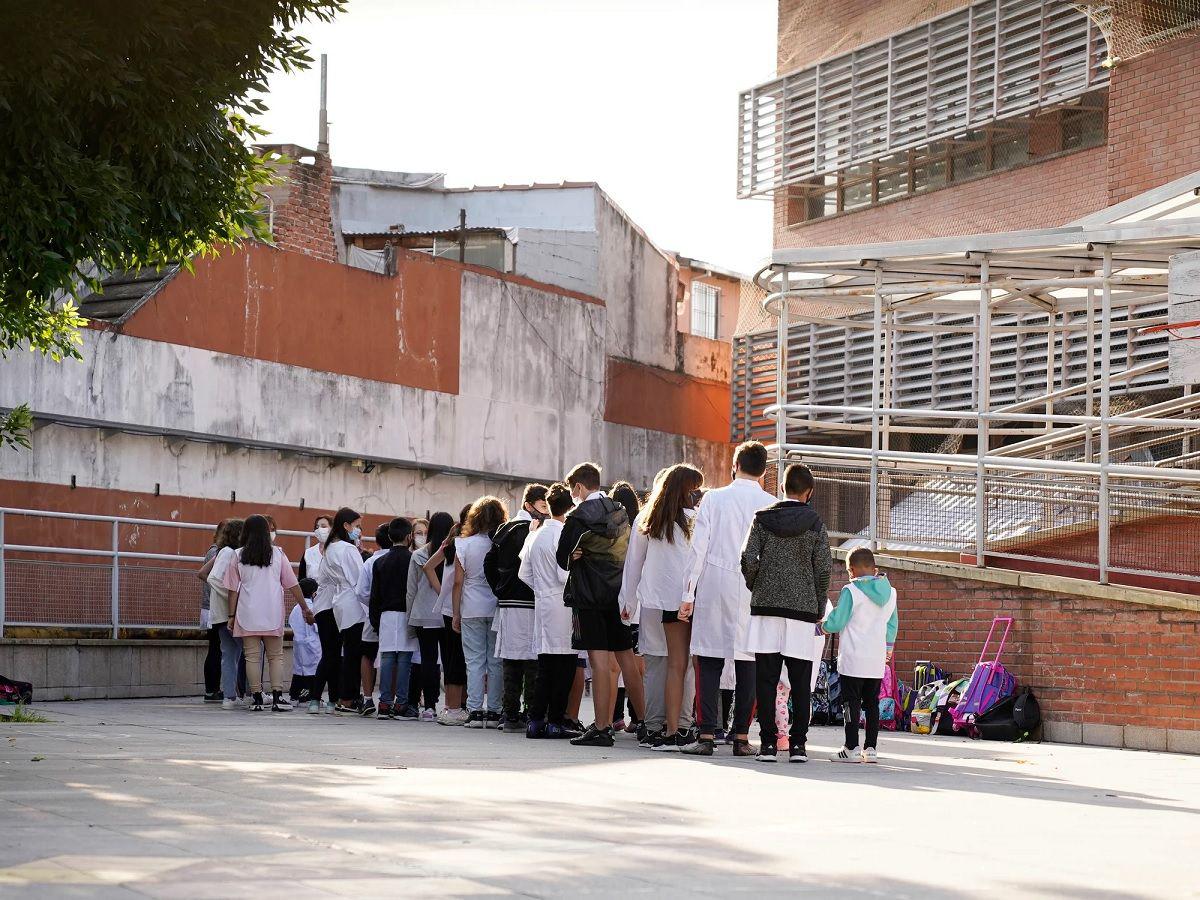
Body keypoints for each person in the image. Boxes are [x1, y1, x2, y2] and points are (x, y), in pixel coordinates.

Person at [679, 440, 775, 758]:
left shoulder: (713, 499)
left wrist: (687, 593)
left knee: (708, 658)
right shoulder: (772, 504)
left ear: (734, 464)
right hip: (754, 587)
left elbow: (699, 549)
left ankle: (706, 734)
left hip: (715, 581)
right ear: (763, 471)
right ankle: (741, 737)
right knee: (749, 660)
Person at [740, 463, 832, 763]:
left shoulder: (762, 518)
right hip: (802, 611)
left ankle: (767, 744)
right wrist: (818, 605)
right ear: (809, 492)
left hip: (766, 608)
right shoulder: (816, 524)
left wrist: (757, 585)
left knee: (765, 678)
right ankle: (798, 746)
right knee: (801, 681)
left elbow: (748, 557)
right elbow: (823, 569)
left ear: (782, 487)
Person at [557, 462, 646, 748]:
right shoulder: (619, 510)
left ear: (579, 487)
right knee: (626, 657)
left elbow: (562, 558)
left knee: (598, 660)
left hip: (590, 594)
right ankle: (646, 722)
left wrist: (577, 555)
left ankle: (602, 726)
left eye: (574, 489)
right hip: (618, 591)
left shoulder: (577, 517)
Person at [620, 464, 703, 752]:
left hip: (653, 601)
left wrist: (627, 600)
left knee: (656, 664)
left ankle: (655, 725)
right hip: (687, 601)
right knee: (684, 667)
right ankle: (680, 723)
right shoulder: (696, 519)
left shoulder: (648, 518)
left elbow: (633, 564)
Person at [224, 514, 309, 712]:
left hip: (247, 614)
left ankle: (256, 699)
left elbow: (231, 591)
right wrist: (305, 607)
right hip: (272, 612)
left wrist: (230, 616)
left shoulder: (237, 555)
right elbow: (293, 584)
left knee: (252, 657)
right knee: (275, 656)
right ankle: (278, 697)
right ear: (266, 532)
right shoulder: (278, 554)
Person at [822, 547, 898, 764]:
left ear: (852, 570)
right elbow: (892, 625)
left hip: (853, 659)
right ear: (874, 569)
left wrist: (822, 628)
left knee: (850, 704)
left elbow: (838, 620)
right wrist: (888, 649)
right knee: (872, 703)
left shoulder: (851, 591)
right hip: (876, 659)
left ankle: (851, 747)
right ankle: (871, 748)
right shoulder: (891, 593)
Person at [486, 484, 548, 732]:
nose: (545, 511)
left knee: (511, 660)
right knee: (532, 660)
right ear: (529, 505)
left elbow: (489, 563)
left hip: (510, 603)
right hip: (532, 602)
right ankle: (530, 714)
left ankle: (510, 714)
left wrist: (500, 589)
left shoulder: (505, 530)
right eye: (543, 506)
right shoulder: (536, 531)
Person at [520, 483, 580, 739]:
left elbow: (523, 573)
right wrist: (576, 562)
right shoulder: (563, 534)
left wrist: (541, 589)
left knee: (544, 668)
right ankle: (555, 721)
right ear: (570, 508)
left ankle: (535, 721)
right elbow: (561, 574)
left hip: (542, 603)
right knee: (565, 667)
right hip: (562, 605)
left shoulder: (536, 535)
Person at [453, 496, 508, 728]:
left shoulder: (463, 544)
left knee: (474, 661)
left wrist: (455, 613)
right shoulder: (502, 543)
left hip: (471, 607)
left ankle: (475, 711)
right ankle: (495, 711)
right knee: (495, 662)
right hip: (496, 606)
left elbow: (457, 582)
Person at [311, 507, 364, 715]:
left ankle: (338, 698)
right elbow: (359, 580)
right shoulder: (347, 549)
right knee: (351, 654)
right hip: (351, 601)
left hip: (339, 602)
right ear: (346, 526)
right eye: (357, 526)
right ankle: (347, 698)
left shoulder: (330, 547)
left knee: (340, 653)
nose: (359, 530)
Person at [426, 504, 471, 725]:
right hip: (460, 607)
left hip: (449, 607)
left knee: (453, 657)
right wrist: (444, 590)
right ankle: (455, 707)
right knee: (459, 658)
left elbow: (428, 567)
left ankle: (455, 706)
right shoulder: (462, 543)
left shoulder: (451, 542)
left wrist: (441, 592)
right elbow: (431, 568)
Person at [369, 517, 418, 720]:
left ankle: (384, 702)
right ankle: (401, 704)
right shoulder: (414, 560)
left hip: (386, 615)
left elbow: (374, 596)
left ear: (389, 537)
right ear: (409, 536)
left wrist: (375, 621)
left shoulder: (379, 562)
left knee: (388, 658)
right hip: (407, 614)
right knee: (405, 660)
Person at [607, 482, 644, 732]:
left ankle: (615, 715)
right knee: (637, 663)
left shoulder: (612, 527)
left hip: (615, 597)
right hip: (640, 601)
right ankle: (639, 717)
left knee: (615, 662)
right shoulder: (641, 526)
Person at [407, 512, 451, 722]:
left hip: (424, 614)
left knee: (428, 661)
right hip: (449, 614)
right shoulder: (454, 553)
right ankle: (453, 705)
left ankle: (430, 706)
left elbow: (410, 591)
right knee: (451, 660)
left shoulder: (418, 555)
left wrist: (409, 620)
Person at [199, 518, 245, 711]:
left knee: (229, 654)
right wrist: (235, 595)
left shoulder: (226, 552)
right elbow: (213, 578)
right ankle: (245, 693)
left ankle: (230, 696)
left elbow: (204, 574)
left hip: (224, 612)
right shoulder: (227, 553)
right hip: (229, 613)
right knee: (246, 652)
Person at [354, 523, 392, 717]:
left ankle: (368, 698)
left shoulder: (370, 562)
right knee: (392, 655)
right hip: (395, 615)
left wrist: (373, 604)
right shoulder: (404, 559)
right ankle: (390, 699)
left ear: (377, 541)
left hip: (372, 614)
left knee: (368, 654)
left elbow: (361, 592)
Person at [200, 521, 225, 703]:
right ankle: (211, 689)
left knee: (217, 649)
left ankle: (214, 689)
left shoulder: (217, 551)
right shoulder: (216, 552)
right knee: (216, 649)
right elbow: (208, 576)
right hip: (213, 607)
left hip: (214, 607)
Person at [288, 578, 322, 702]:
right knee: (313, 669)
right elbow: (318, 626)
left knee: (299, 668)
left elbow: (292, 623)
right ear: (314, 593)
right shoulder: (314, 607)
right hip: (313, 643)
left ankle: (295, 693)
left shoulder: (296, 608)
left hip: (298, 642)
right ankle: (308, 694)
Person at [299, 514, 331, 582]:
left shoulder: (340, 551)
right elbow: (301, 579)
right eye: (317, 527)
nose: (319, 529)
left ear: (332, 529)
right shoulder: (308, 553)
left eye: (323, 526)